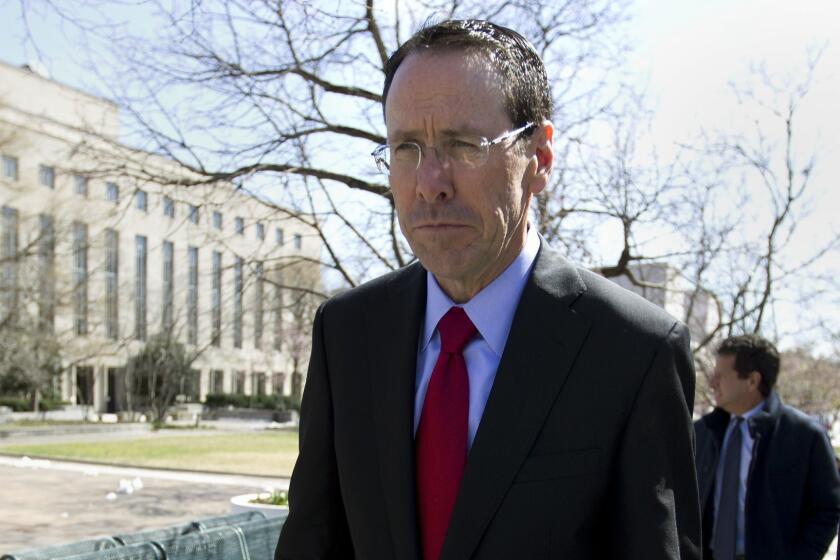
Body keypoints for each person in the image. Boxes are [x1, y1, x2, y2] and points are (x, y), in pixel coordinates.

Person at [275, 19, 700, 560]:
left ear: (540, 159)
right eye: (406, 147)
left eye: (464, 144)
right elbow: (313, 542)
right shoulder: (347, 332)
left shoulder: (634, 350)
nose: (431, 182)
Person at [695, 334, 840, 560]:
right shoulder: (702, 432)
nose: (712, 383)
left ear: (752, 380)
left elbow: (826, 510)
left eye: (720, 376)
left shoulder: (805, 436)